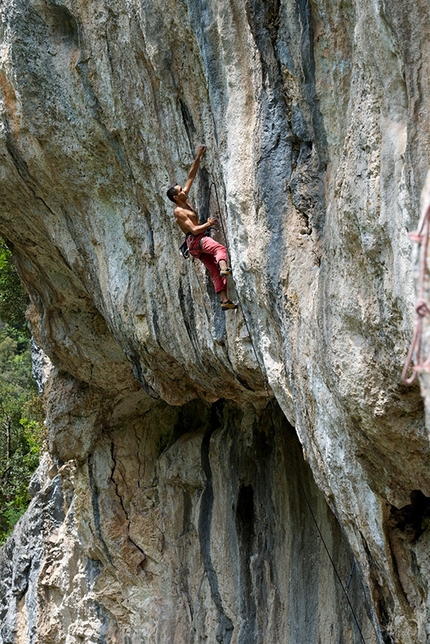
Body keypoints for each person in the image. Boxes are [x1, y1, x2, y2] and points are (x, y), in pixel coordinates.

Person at [166, 145, 237, 310]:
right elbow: (195, 230)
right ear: (176, 197)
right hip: (196, 240)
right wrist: (209, 224)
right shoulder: (179, 211)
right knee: (220, 249)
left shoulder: (184, 199)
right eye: (180, 190)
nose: (184, 189)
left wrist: (198, 156)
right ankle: (225, 269)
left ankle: (225, 300)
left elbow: (191, 175)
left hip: (195, 246)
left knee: (213, 270)